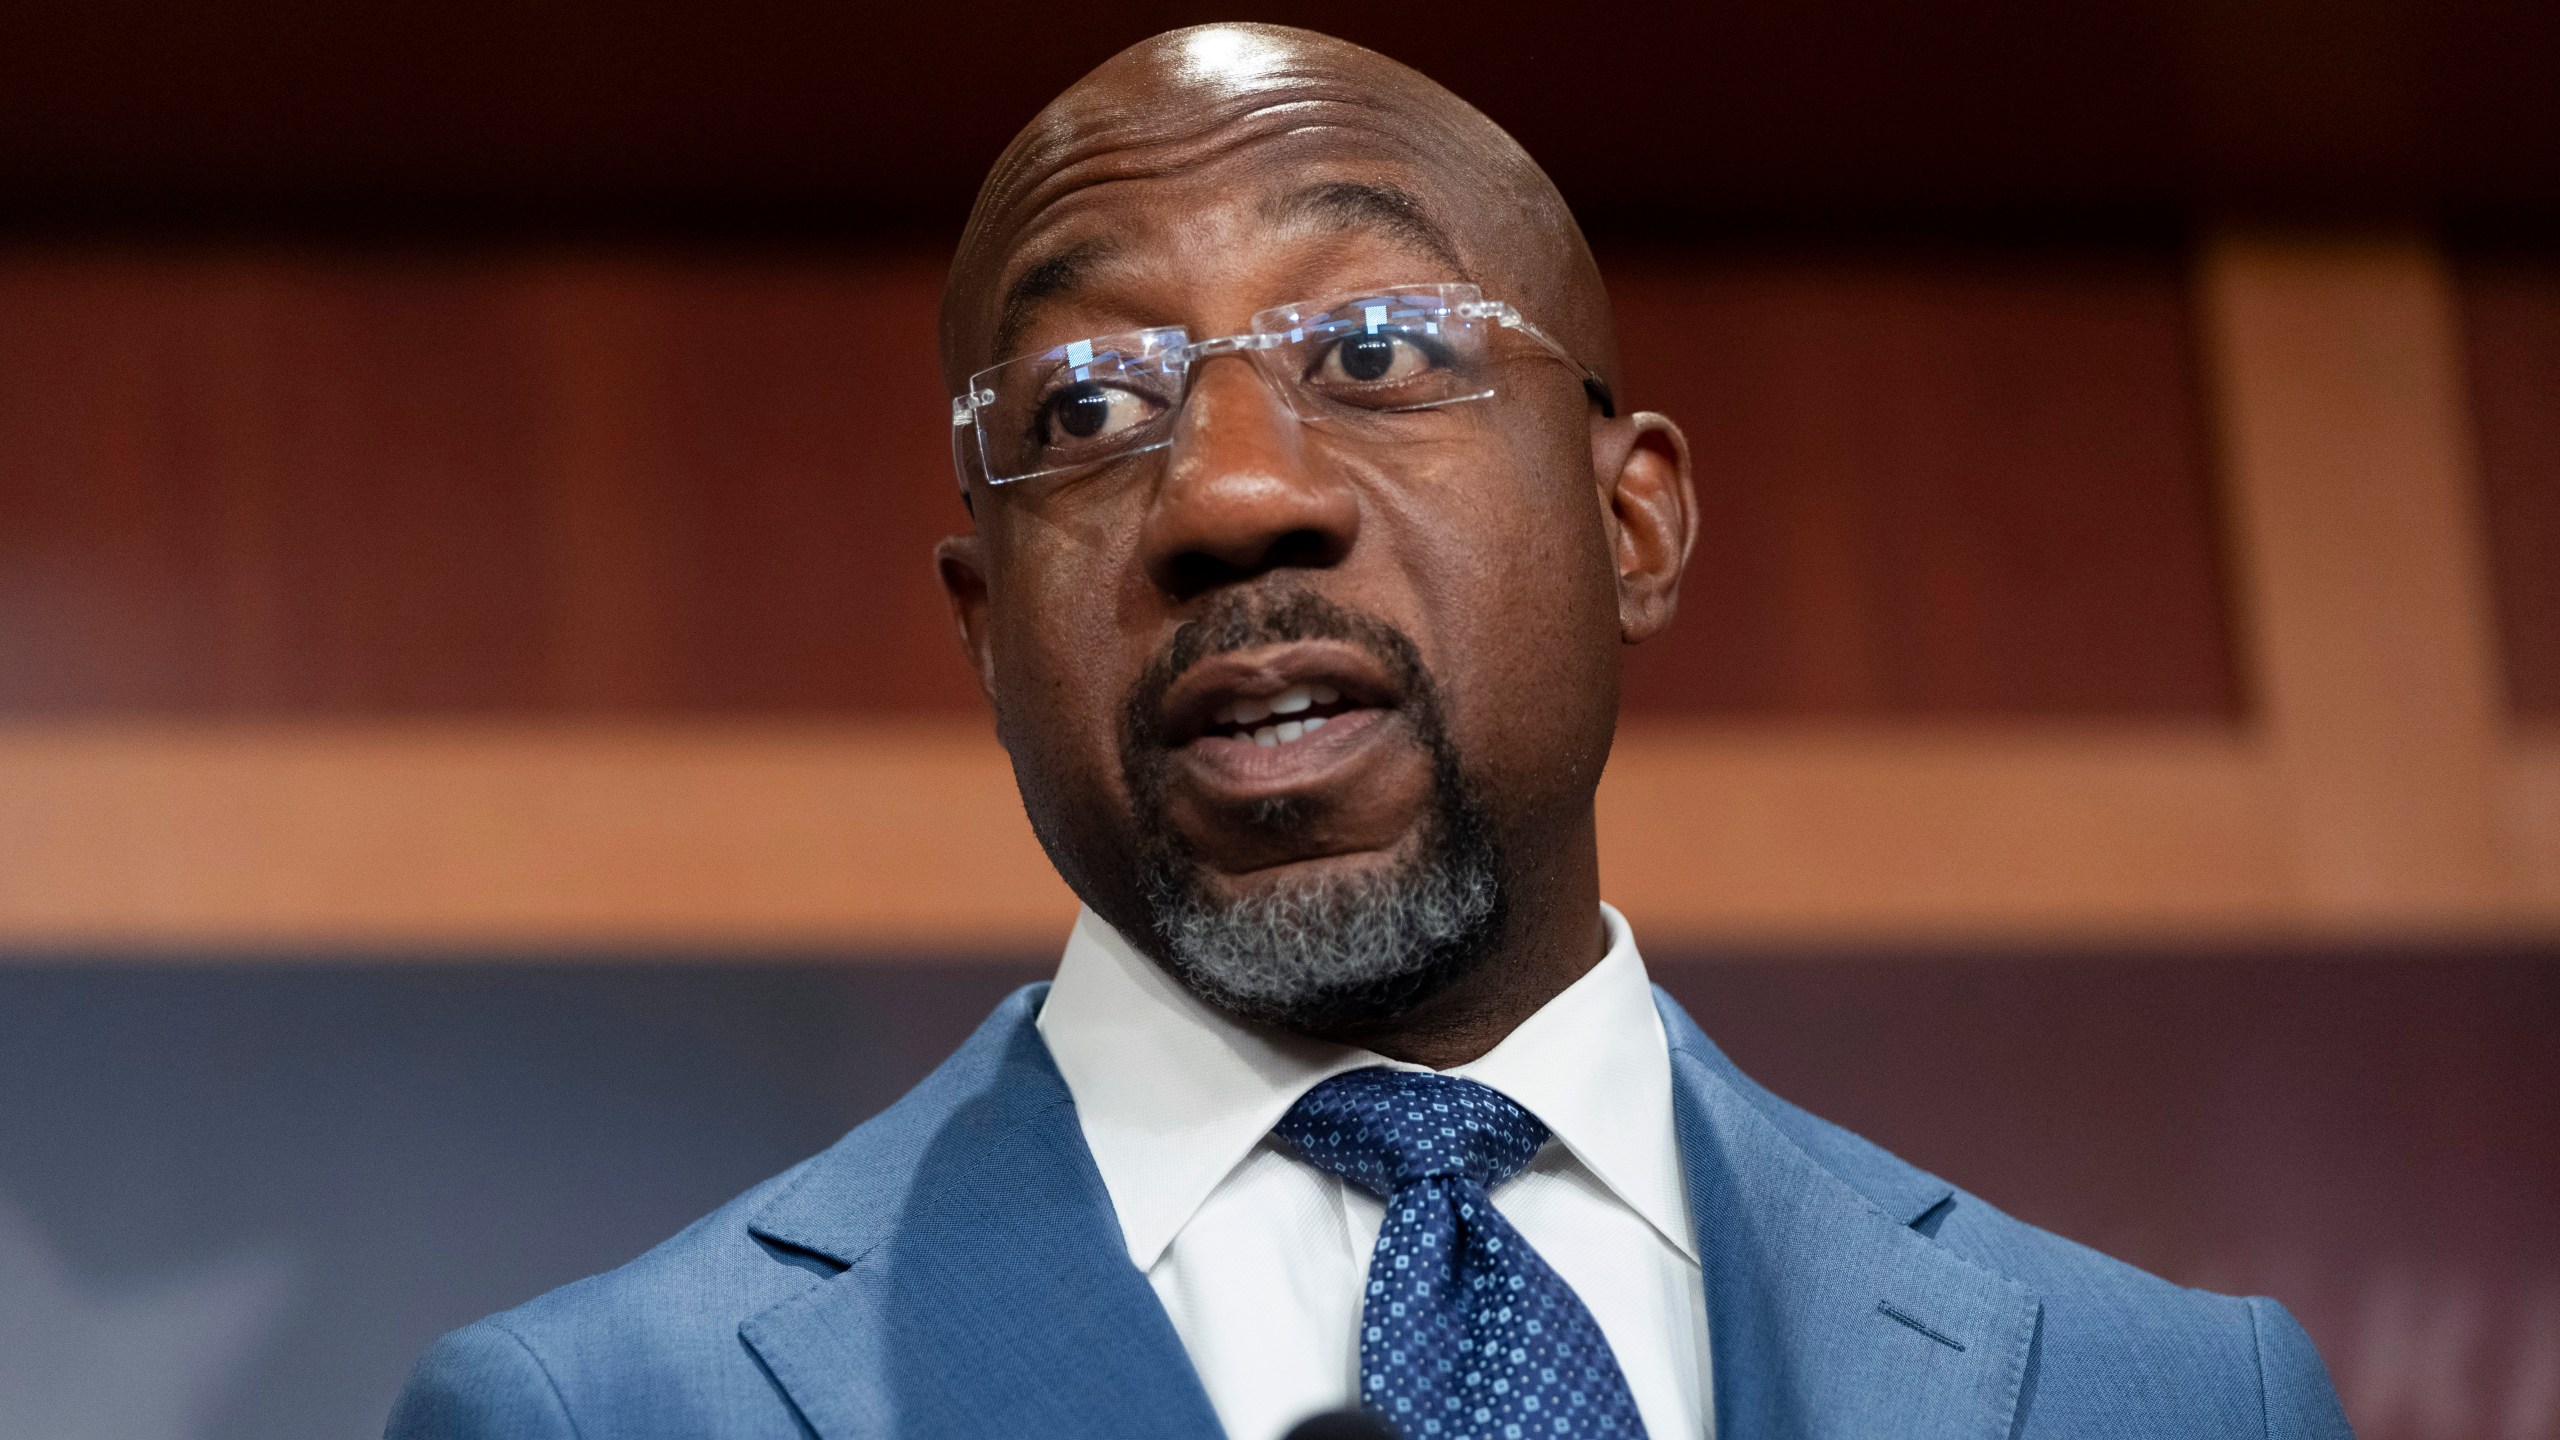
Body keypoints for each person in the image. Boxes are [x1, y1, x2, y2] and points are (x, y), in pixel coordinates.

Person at [387, 23, 2353, 1440]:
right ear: (984, 636)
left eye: (1376, 353)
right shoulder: (609, 1412)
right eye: (1082, 409)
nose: (1227, 497)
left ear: (1630, 523)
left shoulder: (2173, 1399)